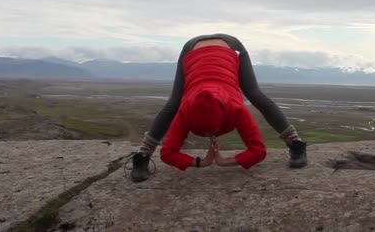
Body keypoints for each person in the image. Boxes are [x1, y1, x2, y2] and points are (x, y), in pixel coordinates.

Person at [131, 33, 307, 182]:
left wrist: (226, 161)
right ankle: (143, 155)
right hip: (192, 49)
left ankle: (295, 143)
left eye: (211, 131)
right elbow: (168, 153)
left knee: (254, 94)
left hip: (231, 47)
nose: (209, 136)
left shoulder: (236, 109)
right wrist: (200, 162)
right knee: (174, 103)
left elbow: (258, 151)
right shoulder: (186, 111)